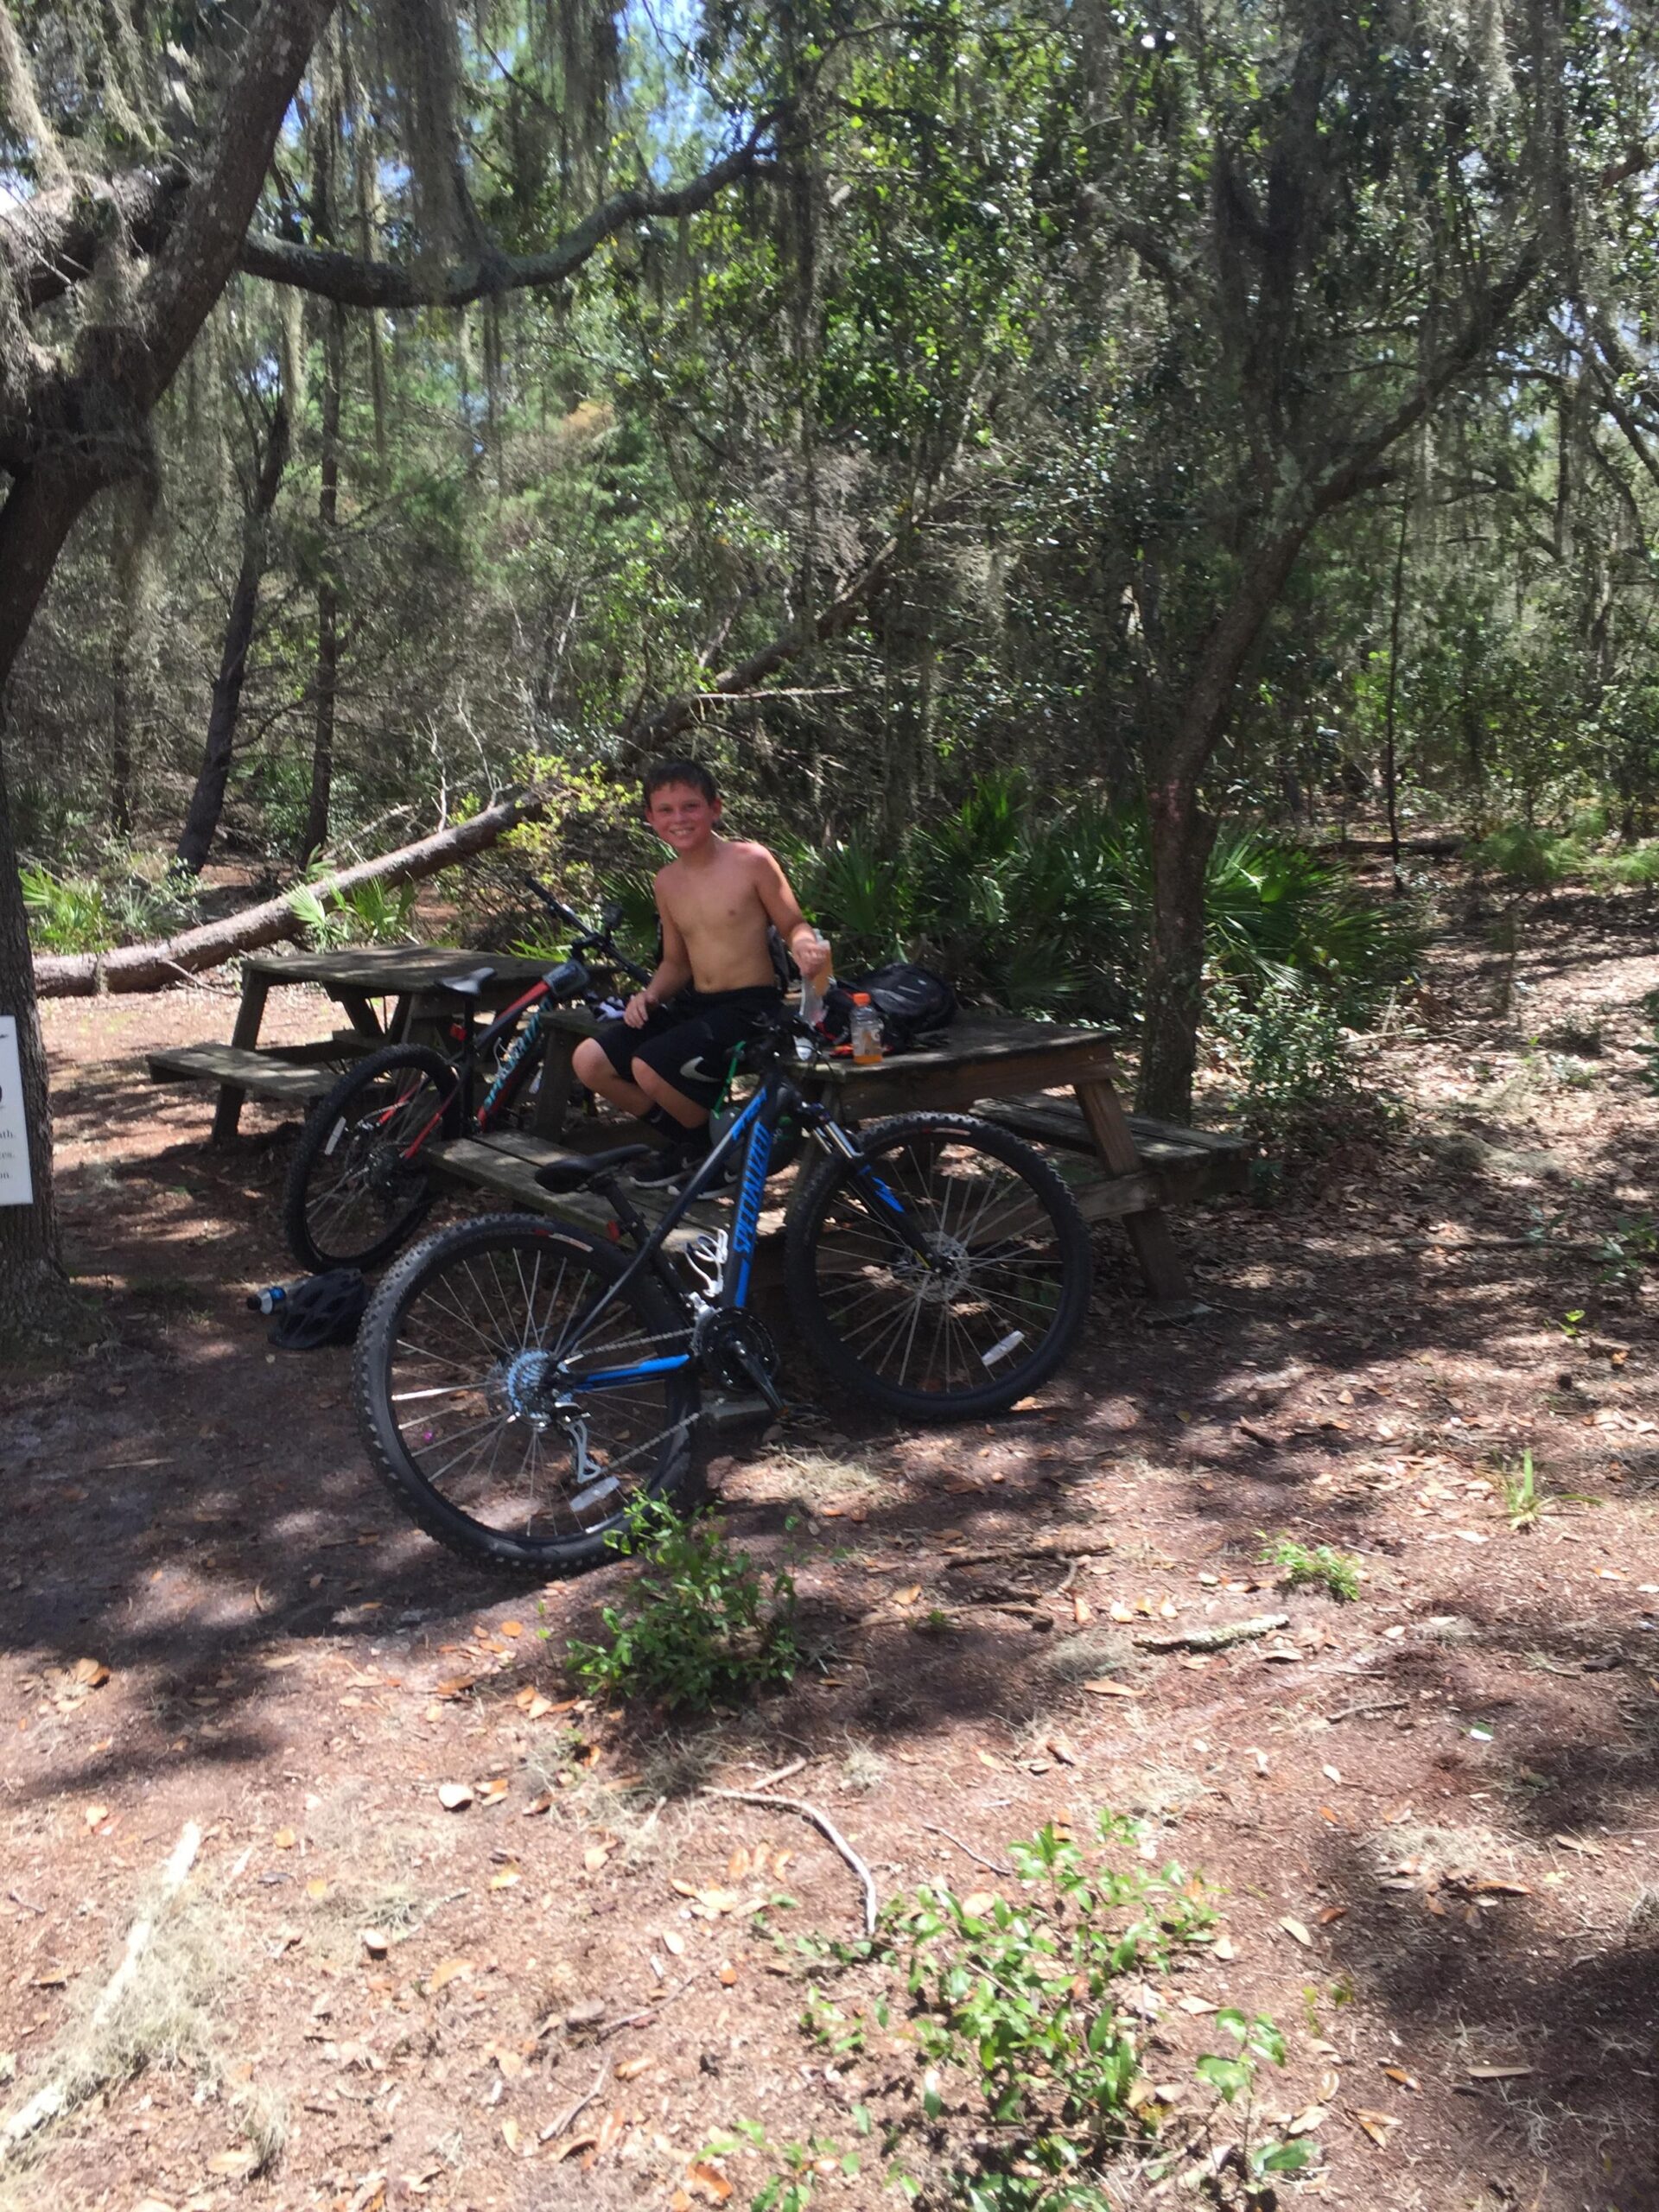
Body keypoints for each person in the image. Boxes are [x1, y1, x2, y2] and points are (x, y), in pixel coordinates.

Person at [572, 760, 833, 1188]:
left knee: (648, 1066)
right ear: (650, 819)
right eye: (667, 810)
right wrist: (649, 996)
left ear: (715, 808)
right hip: (694, 1003)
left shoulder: (751, 860)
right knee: (590, 1060)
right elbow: (677, 962)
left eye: (690, 806)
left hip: (751, 1005)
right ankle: (700, 1146)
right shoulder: (666, 881)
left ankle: (712, 1154)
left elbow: (793, 923)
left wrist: (803, 944)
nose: (679, 819)